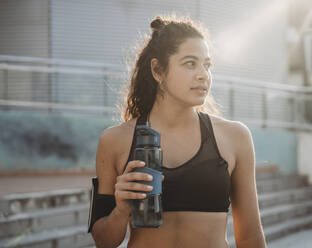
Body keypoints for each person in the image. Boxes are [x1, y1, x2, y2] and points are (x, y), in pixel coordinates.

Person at [89, 15, 267, 248]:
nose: (203, 74)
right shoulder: (115, 141)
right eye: (190, 63)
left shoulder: (235, 138)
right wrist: (121, 210)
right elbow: (103, 241)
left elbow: (250, 237)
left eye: (207, 65)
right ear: (157, 70)